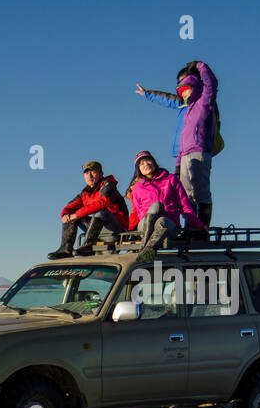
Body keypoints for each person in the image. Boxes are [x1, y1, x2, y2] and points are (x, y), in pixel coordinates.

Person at [136, 60, 218, 226]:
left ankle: (201, 229)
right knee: (186, 194)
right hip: (184, 153)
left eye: (185, 83)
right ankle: (191, 227)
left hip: (199, 150)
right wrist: (179, 162)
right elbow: (167, 100)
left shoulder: (204, 102)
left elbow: (211, 84)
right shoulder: (185, 108)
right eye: (180, 85)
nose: (183, 90)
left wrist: (200, 66)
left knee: (200, 192)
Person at [125, 151, 204, 262]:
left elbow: (185, 206)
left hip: (168, 225)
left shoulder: (171, 180)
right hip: (145, 225)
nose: (146, 164)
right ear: (138, 169)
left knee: (161, 219)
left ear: (154, 162)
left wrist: (199, 226)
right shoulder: (137, 187)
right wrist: (128, 232)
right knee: (156, 207)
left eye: (148, 160)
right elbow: (137, 211)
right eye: (141, 164)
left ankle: (145, 251)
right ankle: (147, 249)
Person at [48, 160, 129, 259]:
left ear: (101, 174)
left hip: (117, 228)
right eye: (86, 173)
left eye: (93, 172)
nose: (89, 176)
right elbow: (70, 206)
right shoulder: (85, 192)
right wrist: (65, 214)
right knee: (70, 216)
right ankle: (65, 249)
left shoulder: (108, 185)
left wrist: (77, 214)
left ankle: (88, 247)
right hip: (98, 228)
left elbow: (103, 202)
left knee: (101, 211)